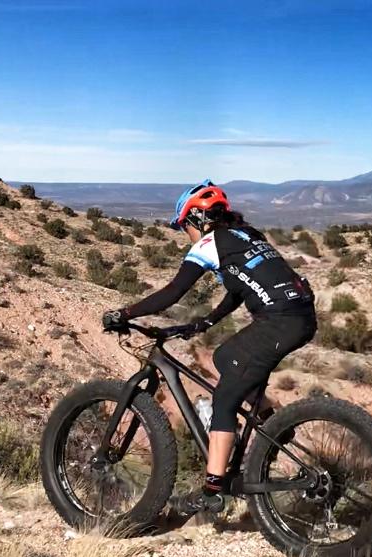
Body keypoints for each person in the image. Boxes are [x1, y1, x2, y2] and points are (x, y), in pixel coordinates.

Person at [101, 180, 316, 513]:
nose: (186, 235)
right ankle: (272, 422)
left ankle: (213, 490)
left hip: (279, 320)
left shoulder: (208, 243)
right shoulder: (248, 235)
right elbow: (239, 289)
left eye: (184, 226)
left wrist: (125, 313)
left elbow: (173, 292)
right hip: (299, 315)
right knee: (226, 356)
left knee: (224, 399)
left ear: (197, 220)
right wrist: (206, 322)